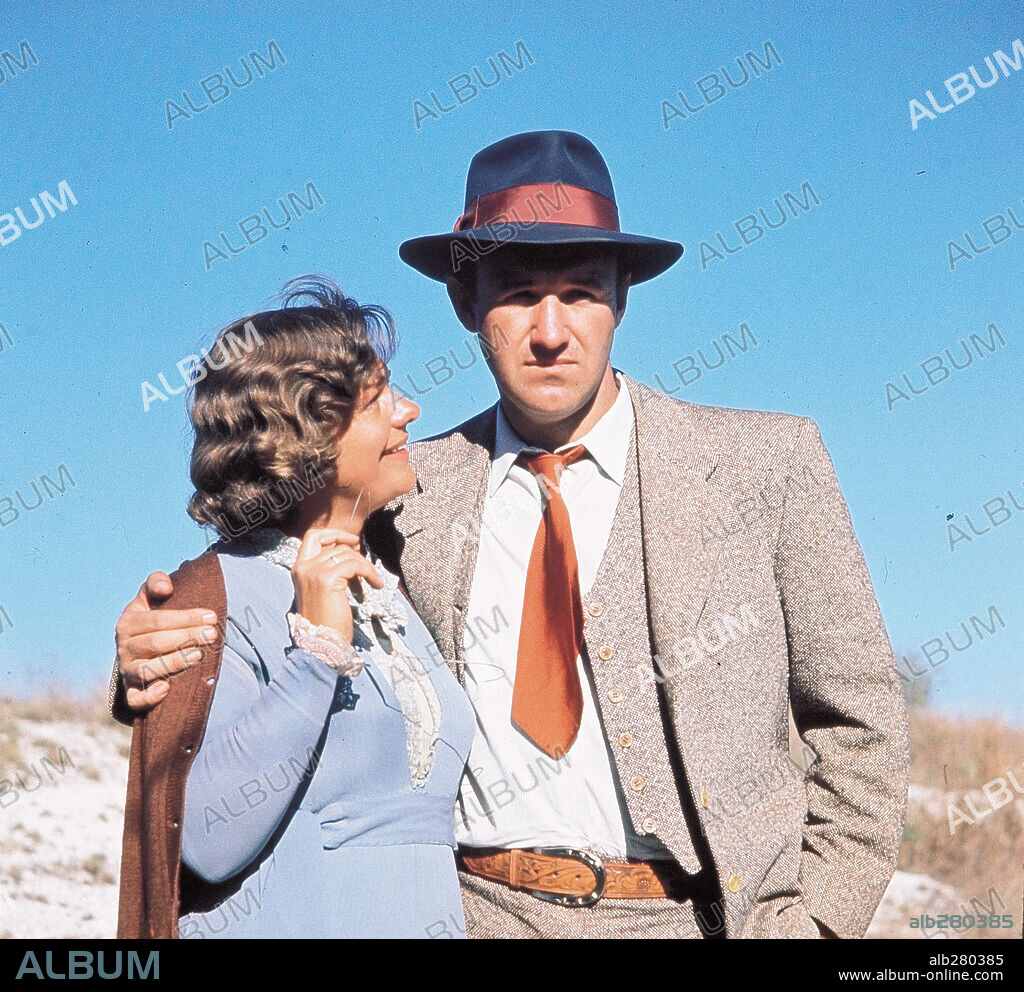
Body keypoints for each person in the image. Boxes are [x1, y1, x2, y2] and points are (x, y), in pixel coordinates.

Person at [112, 131, 910, 939]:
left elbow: (861, 719)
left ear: (623, 297)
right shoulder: (398, 483)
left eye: (582, 292)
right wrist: (155, 651)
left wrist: (820, 926)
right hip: (471, 915)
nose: (552, 331)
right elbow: (256, 588)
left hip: (698, 920)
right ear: (466, 303)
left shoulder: (763, 464)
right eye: (521, 294)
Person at [115, 277, 475, 938]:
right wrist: (316, 653)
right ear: (306, 432)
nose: (411, 411)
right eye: (378, 400)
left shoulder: (393, 587)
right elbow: (202, 839)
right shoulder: (216, 591)